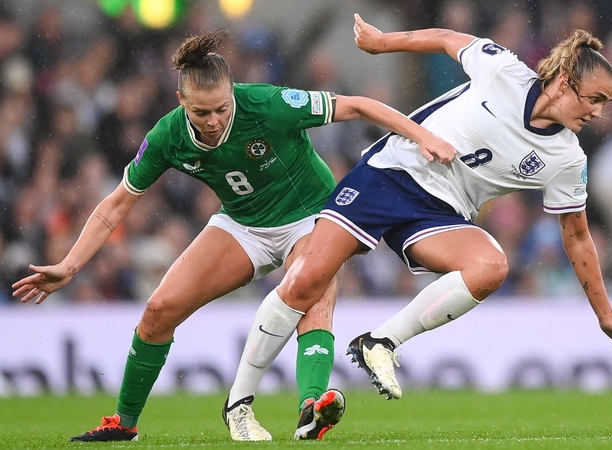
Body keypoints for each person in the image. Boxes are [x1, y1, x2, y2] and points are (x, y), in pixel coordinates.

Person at [11, 29, 456, 441]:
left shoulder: (267, 104)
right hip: (243, 223)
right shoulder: (166, 136)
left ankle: (310, 406)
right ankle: (123, 425)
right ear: (180, 101)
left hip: (315, 215)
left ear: (232, 94)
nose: (213, 120)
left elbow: (357, 105)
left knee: (310, 290)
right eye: (200, 112)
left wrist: (421, 136)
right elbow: (115, 207)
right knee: (159, 309)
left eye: (222, 108)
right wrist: (69, 265)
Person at [222, 12, 612, 406]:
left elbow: (577, 235)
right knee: (305, 283)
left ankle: (381, 343)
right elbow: (447, 38)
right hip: (390, 172)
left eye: (605, 103)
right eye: (595, 98)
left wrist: (605, 316)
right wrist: (381, 42)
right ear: (565, 80)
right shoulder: (503, 70)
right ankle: (239, 403)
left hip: (440, 216)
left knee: (491, 266)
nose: (598, 112)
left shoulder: (568, 160)